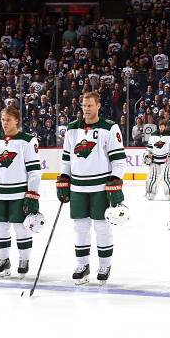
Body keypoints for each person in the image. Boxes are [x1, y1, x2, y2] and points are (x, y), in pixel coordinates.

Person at [56, 91, 126, 285]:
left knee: (102, 227)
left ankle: (104, 265)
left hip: (100, 187)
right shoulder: (72, 129)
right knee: (80, 228)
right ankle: (82, 264)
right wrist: (64, 177)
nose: (86, 109)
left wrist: (115, 180)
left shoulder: (109, 128)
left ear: (98, 106)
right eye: (84, 105)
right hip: (78, 187)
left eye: (89, 105)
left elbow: (119, 161)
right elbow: (66, 159)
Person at [0, 107, 41, 279]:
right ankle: (3, 260)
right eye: (3, 119)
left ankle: (23, 260)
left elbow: (34, 171)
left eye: (8, 120)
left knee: (21, 229)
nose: (5, 123)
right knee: (1, 229)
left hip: (19, 194)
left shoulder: (27, 141)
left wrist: (32, 193)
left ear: (17, 121)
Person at [144, 119, 170, 200]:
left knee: (167, 178)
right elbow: (149, 148)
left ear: (166, 127)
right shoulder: (153, 135)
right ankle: (150, 193)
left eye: (163, 126)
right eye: (160, 126)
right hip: (155, 160)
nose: (161, 128)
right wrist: (148, 156)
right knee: (152, 177)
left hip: (166, 160)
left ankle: (169, 194)